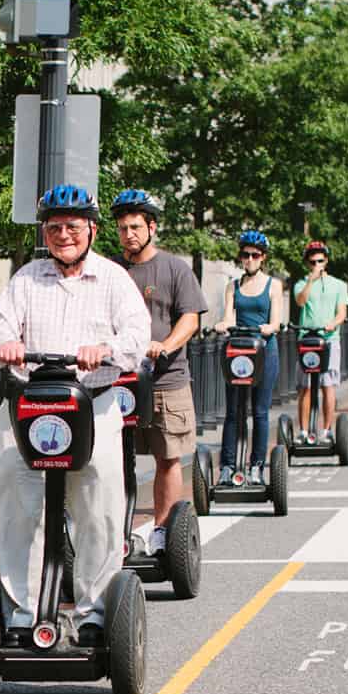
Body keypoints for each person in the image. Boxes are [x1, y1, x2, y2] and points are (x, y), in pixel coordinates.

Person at [0, 186, 149, 642]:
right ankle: (22, 613)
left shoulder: (114, 280)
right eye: (54, 228)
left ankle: (94, 613)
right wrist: (5, 343)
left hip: (93, 407)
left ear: (92, 230)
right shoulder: (26, 279)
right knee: (20, 507)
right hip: (31, 408)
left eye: (73, 227)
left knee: (100, 509)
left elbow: (137, 336)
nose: (63, 235)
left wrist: (107, 349)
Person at [109, 188, 204, 548]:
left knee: (167, 457)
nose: (128, 234)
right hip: (117, 381)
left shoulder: (174, 268)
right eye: (122, 228)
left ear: (152, 227)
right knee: (115, 460)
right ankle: (117, 534)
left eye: (134, 227)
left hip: (166, 380)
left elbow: (190, 320)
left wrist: (164, 346)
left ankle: (163, 532)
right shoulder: (110, 270)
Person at [215, 229, 280, 482]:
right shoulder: (233, 286)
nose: (249, 259)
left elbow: (276, 321)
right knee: (233, 410)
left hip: (264, 351)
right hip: (238, 350)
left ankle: (256, 467)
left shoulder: (274, 285)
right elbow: (228, 316)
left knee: (260, 411)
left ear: (263, 257)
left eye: (255, 255)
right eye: (245, 255)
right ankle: (227, 467)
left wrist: (269, 327)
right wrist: (223, 324)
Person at [292, 240, 348, 443]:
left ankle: (326, 431)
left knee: (327, 385)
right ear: (308, 262)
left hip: (329, 340)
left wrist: (333, 324)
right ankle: (304, 431)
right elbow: (300, 301)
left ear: (326, 261)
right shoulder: (301, 283)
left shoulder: (338, 285)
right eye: (313, 261)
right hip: (306, 339)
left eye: (320, 260)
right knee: (305, 387)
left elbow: (342, 312)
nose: (317, 264)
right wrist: (311, 280)